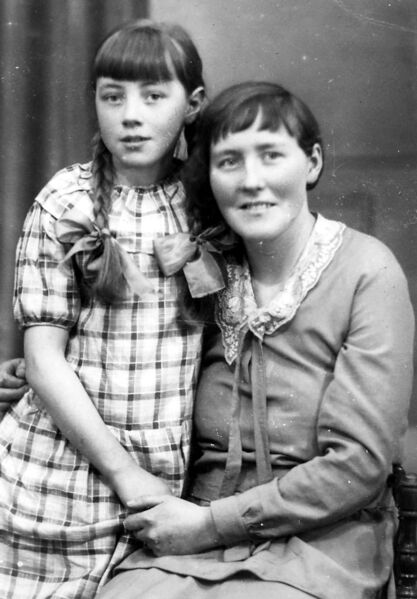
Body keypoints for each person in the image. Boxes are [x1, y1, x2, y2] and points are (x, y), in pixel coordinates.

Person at [94, 82, 415, 599]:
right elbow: (133, 358)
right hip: (188, 542)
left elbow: (358, 464)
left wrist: (211, 525)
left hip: (322, 543)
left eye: (271, 155)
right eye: (229, 162)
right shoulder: (205, 272)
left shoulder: (367, 271)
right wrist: (36, 375)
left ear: (312, 162)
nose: (251, 181)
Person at [0, 19, 205, 598]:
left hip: (164, 486)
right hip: (59, 477)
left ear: (192, 104)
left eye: (153, 96)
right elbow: (44, 360)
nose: (130, 115)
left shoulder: (205, 202)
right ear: (94, 101)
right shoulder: (65, 202)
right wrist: (124, 473)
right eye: (113, 96)